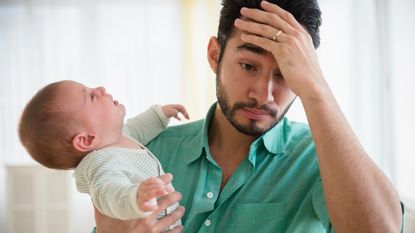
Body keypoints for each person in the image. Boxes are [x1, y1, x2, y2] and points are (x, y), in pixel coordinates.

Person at [95, 0, 404, 232]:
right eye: (248, 66)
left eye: (285, 74)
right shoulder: (146, 152)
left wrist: (317, 90)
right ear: (215, 55)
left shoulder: (321, 160)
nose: (263, 94)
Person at [18, 80, 189, 230]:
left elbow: (138, 128)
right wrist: (137, 196)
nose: (100, 88)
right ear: (86, 140)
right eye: (91, 96)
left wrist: (159, 115)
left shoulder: (117, 139)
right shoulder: (101, 164)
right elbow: (111, 194)